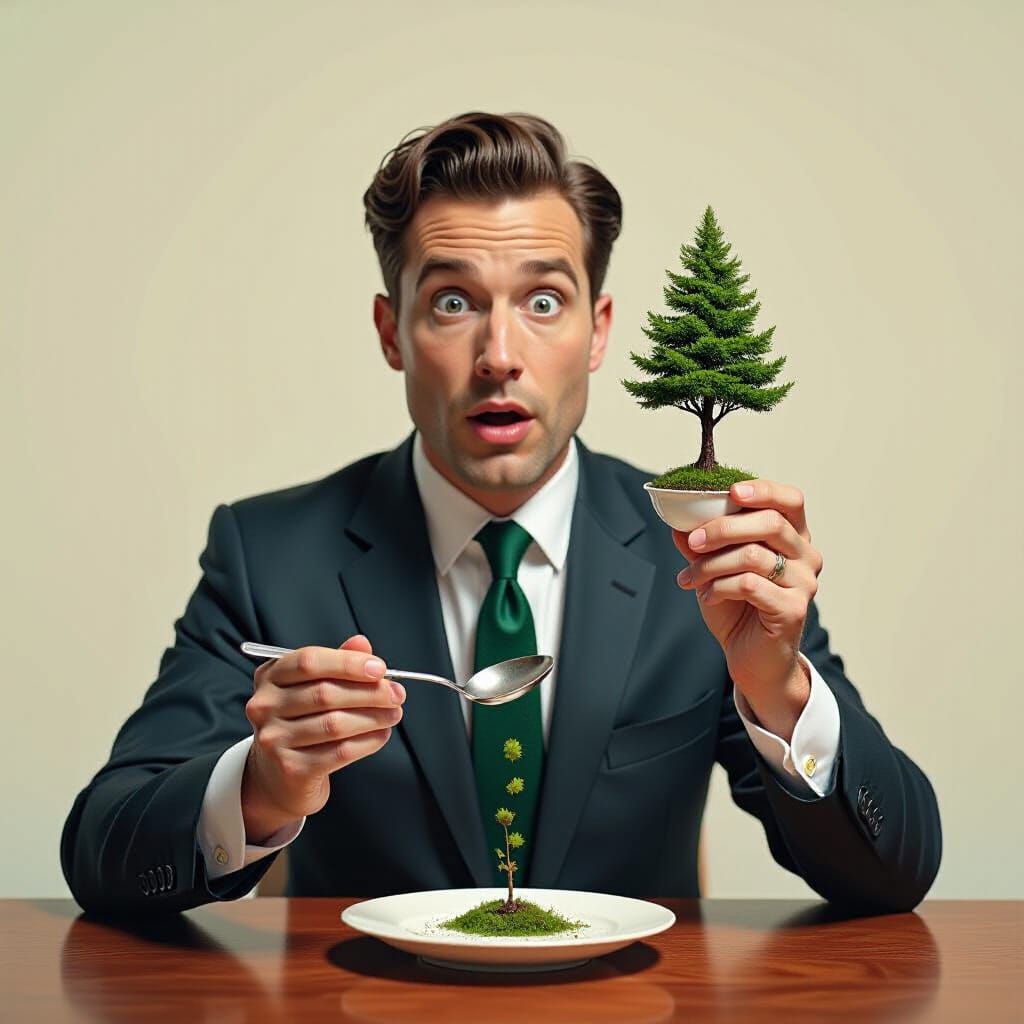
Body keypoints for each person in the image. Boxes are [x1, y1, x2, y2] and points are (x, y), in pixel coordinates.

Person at [61, 111, 941, 916]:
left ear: (597, 332)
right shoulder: (268, 554)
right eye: (452, 302)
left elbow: (894, 874)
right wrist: (259, 787)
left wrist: (779, 691)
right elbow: (103, 851)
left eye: (543, 302)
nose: (499, 356)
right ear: (391, 331)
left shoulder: (705, 555)